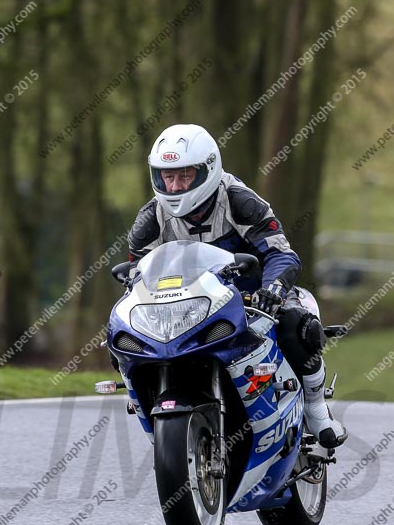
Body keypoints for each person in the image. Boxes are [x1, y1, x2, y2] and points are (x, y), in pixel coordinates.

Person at [128, 123, 347, 449]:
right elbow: (136, 276)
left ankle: (316, 409)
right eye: (166, 177)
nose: (174, 186)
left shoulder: (239, 201)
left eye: (184, 176)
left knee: (298, 325)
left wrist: (272, 291)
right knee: (127, 341)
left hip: (251, 299)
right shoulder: (151, 219)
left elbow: (281, 254)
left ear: (209, 169)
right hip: (185, 307)